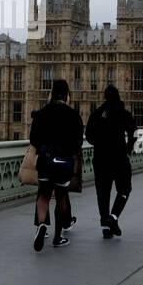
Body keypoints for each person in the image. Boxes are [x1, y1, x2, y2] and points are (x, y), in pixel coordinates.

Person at [30, 79, 85, 249]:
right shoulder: (73, 114)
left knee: (43, 196)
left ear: (52, 93)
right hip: (63, 162)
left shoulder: (42, 113)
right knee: (60, 197)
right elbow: (78, 142)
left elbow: (34, 139)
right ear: (67, 95)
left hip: (45, 160)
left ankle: (41, 225)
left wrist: (44, 148)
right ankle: (58, 237)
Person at [86, 85, 137, 239]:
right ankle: (113, 217)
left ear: (105, 97)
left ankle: (105, 227)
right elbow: (133, 133)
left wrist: (100, 143)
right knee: (124, 189)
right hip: (119, 158)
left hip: (101, 158)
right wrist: (127, 148)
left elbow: (88, 135)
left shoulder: (97, 114)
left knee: (102, 192)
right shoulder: (124, 113)